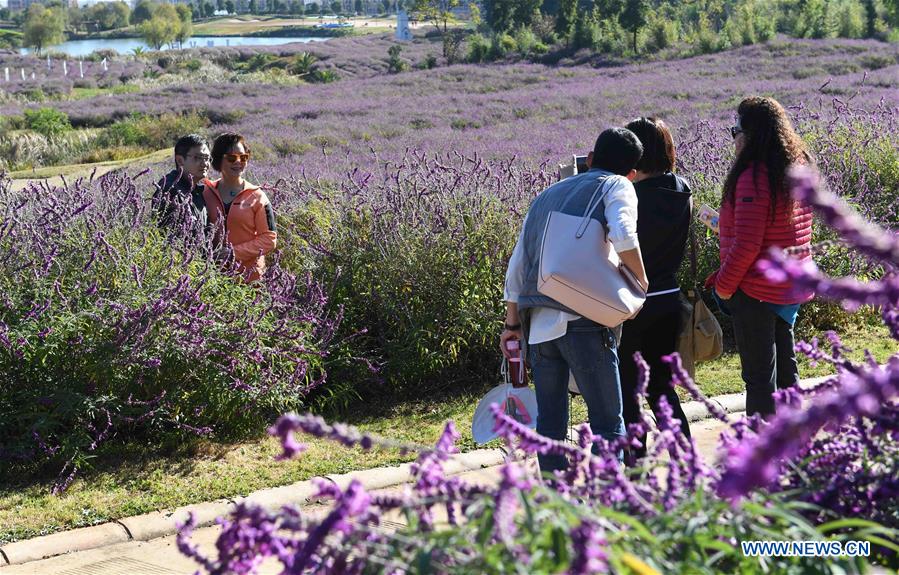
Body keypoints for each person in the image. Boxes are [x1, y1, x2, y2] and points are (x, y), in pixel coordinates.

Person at [501, 127, 649, 474]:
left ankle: (557, 507)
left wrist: (512, 326)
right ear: (632, 173)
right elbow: (624, 234)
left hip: (539, 328)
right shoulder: (618, 185)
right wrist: (640, 280)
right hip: (585, 323)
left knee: (550, 430)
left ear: (591, 159)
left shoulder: (546, 196)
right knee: (607, 424)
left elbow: (518, 264)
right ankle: (609, 503)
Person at [706, 97, 814, 418]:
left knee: (759, 378)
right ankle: (795, 444)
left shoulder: (754, 176)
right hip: (787, 286)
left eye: (735, 130)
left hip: (755, 289)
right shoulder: (795, 167)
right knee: (786, 372)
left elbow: (748, 244)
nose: (734, 137)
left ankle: (760, 457)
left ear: (751, 133)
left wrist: (724, 287)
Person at [618, 118, 692, 463]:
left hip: (632, 301)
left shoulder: (629, 196)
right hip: (669, 299)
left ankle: (635, 468)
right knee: (661, 388)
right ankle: (686, 460)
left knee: (629, 391)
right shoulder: (681, 189)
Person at [203, 132, 277, 283]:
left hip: (249, 278)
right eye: (231, 158)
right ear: (218, 160)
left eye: (243, 157)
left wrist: (233, 253)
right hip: (212, 278)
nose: (238, 162)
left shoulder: (258, 196)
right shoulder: (205, 192)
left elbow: (269, 239)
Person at [152, 134, 210, 234]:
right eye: (198, 157)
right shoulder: (170, 190)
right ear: (180, 160)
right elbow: (168, 237)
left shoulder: (197, 190)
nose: (204, 163)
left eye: (207, 158)